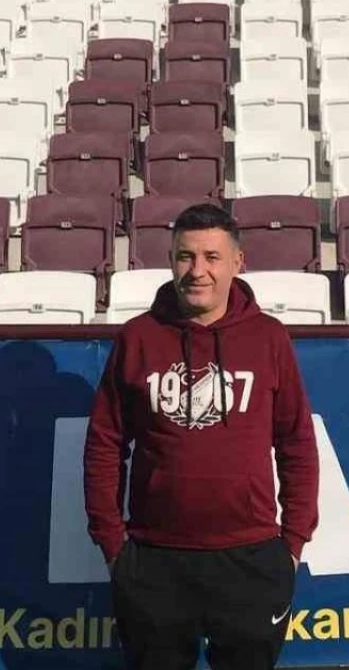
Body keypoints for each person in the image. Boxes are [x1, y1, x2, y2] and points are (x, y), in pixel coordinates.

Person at [83, 202, 321, 670]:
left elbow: (297, 444)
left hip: (252, 560)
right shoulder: (138, 337)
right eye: (185, 256)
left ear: (237, 262)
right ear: (171, 260)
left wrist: (292, 545)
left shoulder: (269, 338)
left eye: (212, 257)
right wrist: (113, 545)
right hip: (154, 560)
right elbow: (105, 444)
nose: (197, 271)